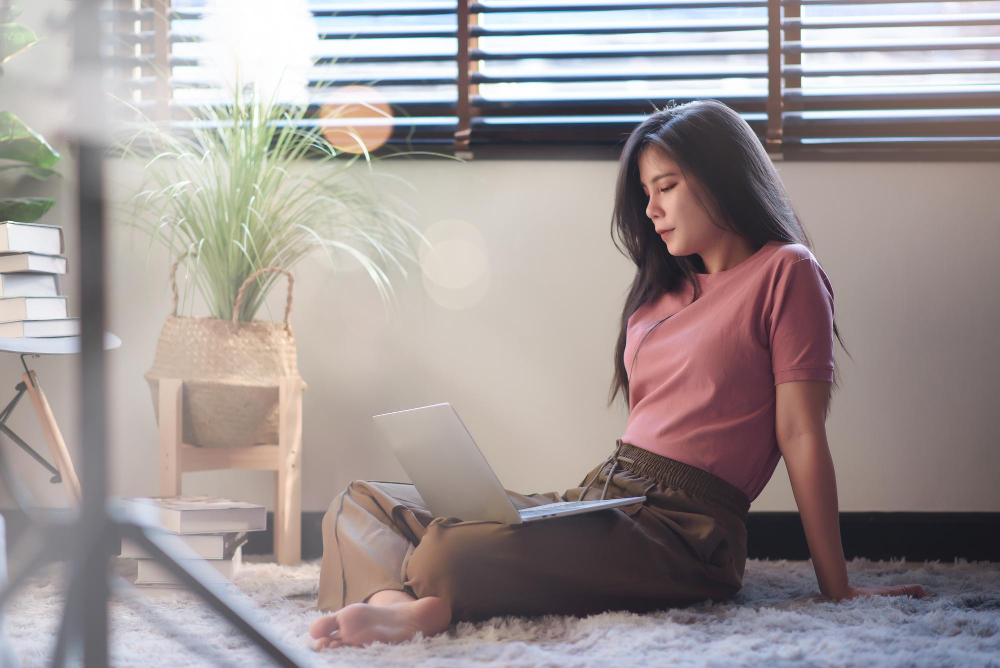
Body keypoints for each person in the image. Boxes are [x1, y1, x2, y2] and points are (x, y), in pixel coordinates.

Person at [308, 99, 928, 651]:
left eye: (667, 187)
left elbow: (801, 435)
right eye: (646, 194)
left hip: (688, 531)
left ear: (719, 177)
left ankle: (415, 592)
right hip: (605, 494)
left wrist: (836, 585)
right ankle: (401, 608)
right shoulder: (662, 292)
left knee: (447, 547)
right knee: (361, 500)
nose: (652, 210)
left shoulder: (786, 272)